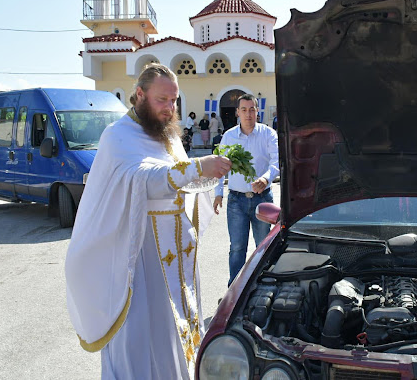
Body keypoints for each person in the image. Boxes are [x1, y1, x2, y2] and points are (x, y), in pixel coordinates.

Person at [65, 64, 232, 379]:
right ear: (139, 95)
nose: (170, 109)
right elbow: (144, 178)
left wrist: (212, 173)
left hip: (175, 257)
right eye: (162, 100)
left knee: (171, 331)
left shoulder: (167, 135)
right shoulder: (117, 136)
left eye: (174, 100)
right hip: (137, 256)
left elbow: (180, 180)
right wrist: (197, 167)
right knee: (140, 334)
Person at [213, 94, 279, 286]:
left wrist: (266, 178)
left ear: (258, 111)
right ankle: (234, 290)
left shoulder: (268, 134)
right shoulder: (229, 136)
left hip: (262, 199)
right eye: (244, 109)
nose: (248, 114)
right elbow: (220, 166)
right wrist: (218, 193)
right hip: (236, 201)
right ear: (237, 112)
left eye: (252, 109)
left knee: (264, 247)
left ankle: (264, 287)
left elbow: (277, 162)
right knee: (237, 248)